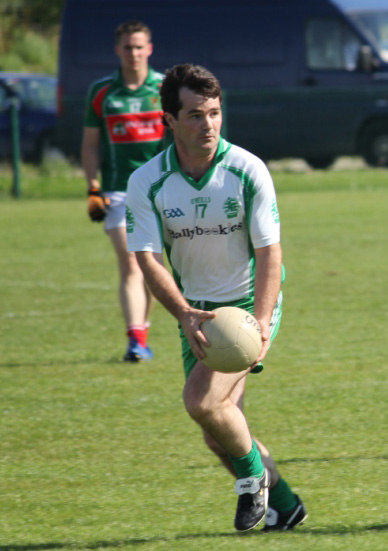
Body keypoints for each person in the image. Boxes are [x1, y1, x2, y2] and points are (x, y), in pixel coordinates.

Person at [125, 64, 307, 532]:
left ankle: (252, 486)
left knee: (201, 402)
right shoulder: (147, 181)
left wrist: (261, 322)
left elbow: (270, 253)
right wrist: (184, 313)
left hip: (248, 303)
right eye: (194, 115)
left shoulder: (247, 170)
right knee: (217, 433)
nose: (207, 125)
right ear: (169, 120)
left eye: (214, 113)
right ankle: (285, 506)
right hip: (196, 312)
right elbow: (147, 259)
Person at [81, 20, 167, 362]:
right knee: (131, 262)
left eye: (139, 46)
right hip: (118, 192)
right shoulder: (102, 92)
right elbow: (89, 145)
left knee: (153, 268)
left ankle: (141, 333)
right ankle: (134, 341)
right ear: (118, 50)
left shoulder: (164, 89)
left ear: (150, 49)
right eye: (127, 47)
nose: (133, 53)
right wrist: (92, 187)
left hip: (159, 191)